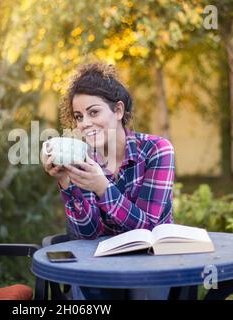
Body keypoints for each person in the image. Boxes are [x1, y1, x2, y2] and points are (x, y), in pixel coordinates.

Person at [42, 62, 175, 300]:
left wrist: (102, 187)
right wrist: (66, 183)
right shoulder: (86, 159)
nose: (84, 124)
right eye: (79, 116)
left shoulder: (157, 150)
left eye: (94, 112)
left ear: (119, 110)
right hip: (102, 267)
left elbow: (150, 227)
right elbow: (88, 234)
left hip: (152, 264)